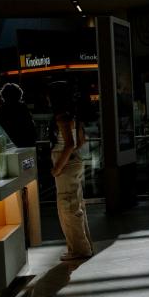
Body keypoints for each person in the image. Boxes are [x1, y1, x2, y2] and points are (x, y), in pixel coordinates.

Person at [48, 81, 94, 261]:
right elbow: (81, 141)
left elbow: (69, 144)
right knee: (76, 205)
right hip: (74, 163)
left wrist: (57, 168)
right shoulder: (74, 115)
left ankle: (80, 250)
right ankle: (83, 246)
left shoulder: (61, 117)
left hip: (65, 165)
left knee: (68, 207)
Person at [0, 83, 36, 147]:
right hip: (24, 144)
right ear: (19, 95)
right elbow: (31, 128)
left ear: (3, 96)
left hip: (6, 145)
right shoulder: (23, 109)